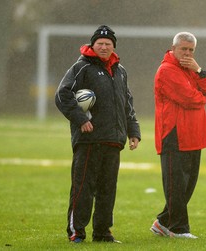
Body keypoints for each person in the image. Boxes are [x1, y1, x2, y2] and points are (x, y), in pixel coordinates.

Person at [55, 25, 141, 244]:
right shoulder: (81, 67)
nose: (104, 47)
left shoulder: (121, 71)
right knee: (83, 187)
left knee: (107, 190)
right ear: (93, 45)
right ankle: (77, 232)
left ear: (113, 47)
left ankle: (103, 233)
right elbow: (62, 94)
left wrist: (133, 131)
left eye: (108, 44)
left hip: (113, 140)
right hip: (89, 140)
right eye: (100, 43)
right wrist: (81, 119)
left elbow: (126, 104)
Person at [150, 32, 206, 239]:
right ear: (173, 48)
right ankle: (178, 229)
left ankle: (162, 222)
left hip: (194, 135)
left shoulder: (191, 70)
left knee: (187, 185)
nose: (187, 54)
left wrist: (198, 69)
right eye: (183, 50)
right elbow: (190, 99)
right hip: (174, 135)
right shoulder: (166, 70)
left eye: (191, 50)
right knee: (176, 185)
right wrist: (201, 96)